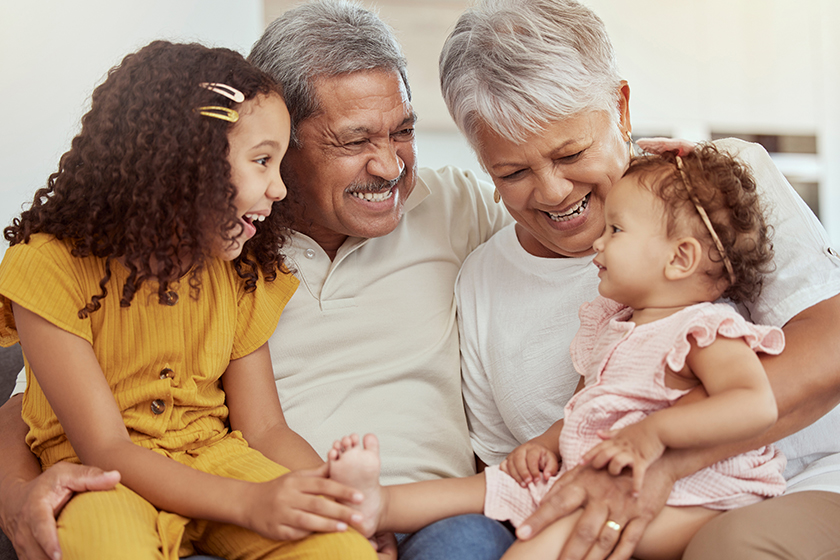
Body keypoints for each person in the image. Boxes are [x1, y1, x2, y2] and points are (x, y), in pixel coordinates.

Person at [0, 3, 513, 560]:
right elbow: (39, 409)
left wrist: (348, 507)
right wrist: (17, 495)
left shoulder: (461, 205)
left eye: (403, 131)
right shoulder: (211, 249)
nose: (389, 166)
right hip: (191, 492)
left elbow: (591, 228)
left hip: (391, 504)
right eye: (353, 141)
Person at [440, 1, 840, 559]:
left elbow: (830, 346)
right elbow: (509, 469)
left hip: (786, 487)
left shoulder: (715, 191)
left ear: (620, 108)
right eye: (513, 172)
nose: (553, 191)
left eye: (572, 152)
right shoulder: (481, 282)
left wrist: (661, 459)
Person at [0, 41, 375, 560]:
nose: (279, 189)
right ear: (184, 161)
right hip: (106, 479)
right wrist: (249, 502)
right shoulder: (47, 265)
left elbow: (264, 429)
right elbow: (105, 447)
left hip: (218, 460)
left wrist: (332, 501)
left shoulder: (242, 271)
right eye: (262, 161)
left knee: (342, 550)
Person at [324, 145, 789, 560]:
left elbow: (755, 404)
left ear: (680, 258)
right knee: (494, 485)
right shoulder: (614, 324)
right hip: (597, 473)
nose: (599, 241)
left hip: (698, 497)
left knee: (548, 536)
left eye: (617, 229)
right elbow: (587, 408)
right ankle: (378, 505)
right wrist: (542, 445)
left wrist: (654, 434)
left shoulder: (704, 328)